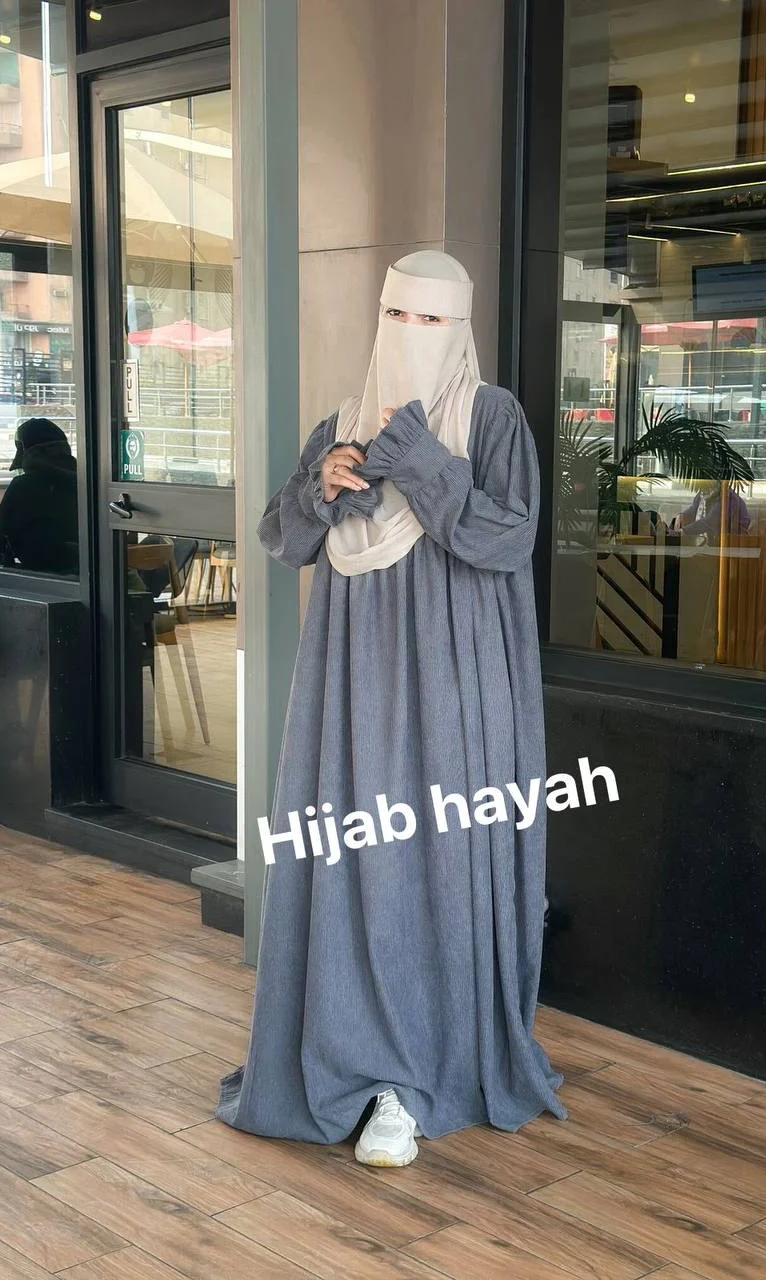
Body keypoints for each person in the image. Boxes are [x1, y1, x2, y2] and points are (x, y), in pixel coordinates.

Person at [216, 250, 566, 1166]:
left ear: (463, 326)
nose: (413, 334)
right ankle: (359, 1063)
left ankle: (425, 1072)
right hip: (351, 676)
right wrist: (321, 487)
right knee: (350, 851)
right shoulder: (342, 421)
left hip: (456, 677)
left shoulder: (493, 417)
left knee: (439, 853)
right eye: (399, 315)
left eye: (434, 319)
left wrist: (422, 463)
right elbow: (283, 534)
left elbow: (508, 537)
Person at [0, 417, 78, 575]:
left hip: (39, 577)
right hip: (85, 575)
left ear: (29, 454)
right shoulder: (86, 483)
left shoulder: (24, 486)